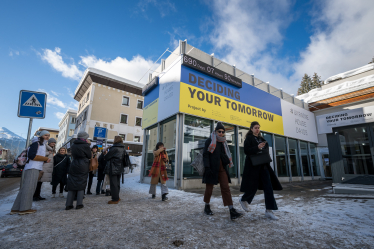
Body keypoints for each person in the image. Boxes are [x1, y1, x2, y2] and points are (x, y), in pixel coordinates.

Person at [239, 121, 283, 220]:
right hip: (253, 166)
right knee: (253, 186)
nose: (257, 129)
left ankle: (269, 210)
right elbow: (246, 151)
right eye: (255, 127)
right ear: (251, 129)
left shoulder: (262, 138)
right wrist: (257, 147)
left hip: (263, 166)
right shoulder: (249, 138)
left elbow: (265, 150)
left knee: (269, 187)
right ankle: (243, 199)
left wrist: (263, 148)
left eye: (258, 127)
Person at [203, 122, 243, 220]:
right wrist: (207, 167)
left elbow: (224, 154)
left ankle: (231, 210)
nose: (220, 133)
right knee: (209, 189)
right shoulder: (210, 141)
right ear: (215, 131)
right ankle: (207, 206)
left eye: (222, 131)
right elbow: (206, 155)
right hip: (211, 169)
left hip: (222, 169)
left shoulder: (223, 142)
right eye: (219, 131)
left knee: (226, 188)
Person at [10, 131, 51, 215]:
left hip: (33, 167)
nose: (47, 137)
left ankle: (16, 208)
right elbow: (32, 156)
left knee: (25, 188)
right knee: (29, 188)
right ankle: (25, 208)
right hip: (33, 167)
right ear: (41, 135)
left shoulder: (40, 144)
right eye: (45, 135)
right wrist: (45, 159)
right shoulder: (37, 143)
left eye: (48, 135)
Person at [65, 131, 91, 210]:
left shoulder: (73, 144)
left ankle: (68, 204)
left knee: (72, 183)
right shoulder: (86, 145)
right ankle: (79, 204)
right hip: (83, 164)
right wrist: (88, 144)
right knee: (81, 183)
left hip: (74, 164)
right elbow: (89, 155)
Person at [104, 136, 128, 204]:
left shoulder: (114, 148)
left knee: (113, 184)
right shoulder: (123, 148)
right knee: (117, 183)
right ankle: (117, 197)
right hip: (120, 168)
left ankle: (115, 199)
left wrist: (105, 153)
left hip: (113, 167)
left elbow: (107, 157)